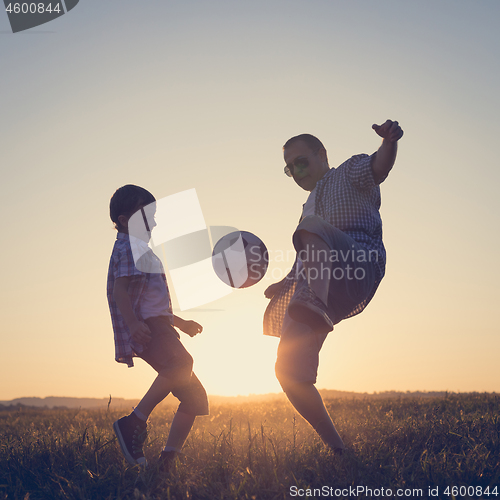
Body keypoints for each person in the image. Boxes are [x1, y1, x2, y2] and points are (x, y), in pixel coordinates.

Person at [263, 120, 403, 453]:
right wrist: (284, 282)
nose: (296, 172)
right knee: (288, 372)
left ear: (321, 155)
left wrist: (389, 142)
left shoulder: (349, 171)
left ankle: (314, 301)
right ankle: (340, 451)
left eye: (301, 162)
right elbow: (308, 250)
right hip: (322, 292)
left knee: (312, 227)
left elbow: (379, 166)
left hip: (358, 264)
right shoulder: (305, 210)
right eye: (289, 169)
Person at [107, 184, 209, 470]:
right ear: (126, 220)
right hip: (149, 328)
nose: (153, 221)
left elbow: (153, 302)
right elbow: (120, 291)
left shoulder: (143, 251)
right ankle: (134, 422)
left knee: (194, 396)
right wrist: (133, 324)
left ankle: (167, 459)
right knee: (181, 364)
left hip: (160, 324)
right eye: (146, 214)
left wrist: (181, 322)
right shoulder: (128, 246)